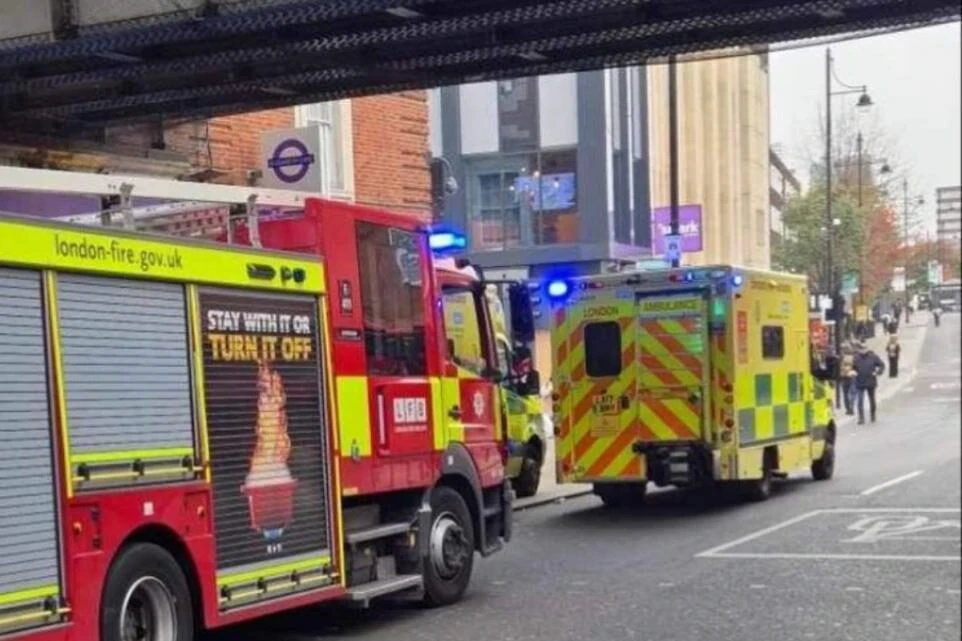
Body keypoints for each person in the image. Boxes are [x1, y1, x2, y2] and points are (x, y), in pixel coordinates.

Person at [852, 342, 885, 425]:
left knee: (872, 399)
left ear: (867, 348)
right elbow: (852, 368)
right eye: (861, 349)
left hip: (871, 381)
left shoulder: (873, 356)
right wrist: (853, 372)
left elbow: (882, 365)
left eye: (864, 348)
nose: (863, 350)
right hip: (860, 381)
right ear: (859, 350)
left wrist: (878, 372)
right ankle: (861, 418)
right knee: (860, 400)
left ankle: (873, 415)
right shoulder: (856, 358)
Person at [839, 342, 856, 415]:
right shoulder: (853, 357)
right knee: (852, 393)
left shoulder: (841, 358)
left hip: (844, 376)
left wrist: (843, 370)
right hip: (852, 376)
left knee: (845, 393)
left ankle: (848, 408)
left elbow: (840, 367)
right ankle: (851, 407)